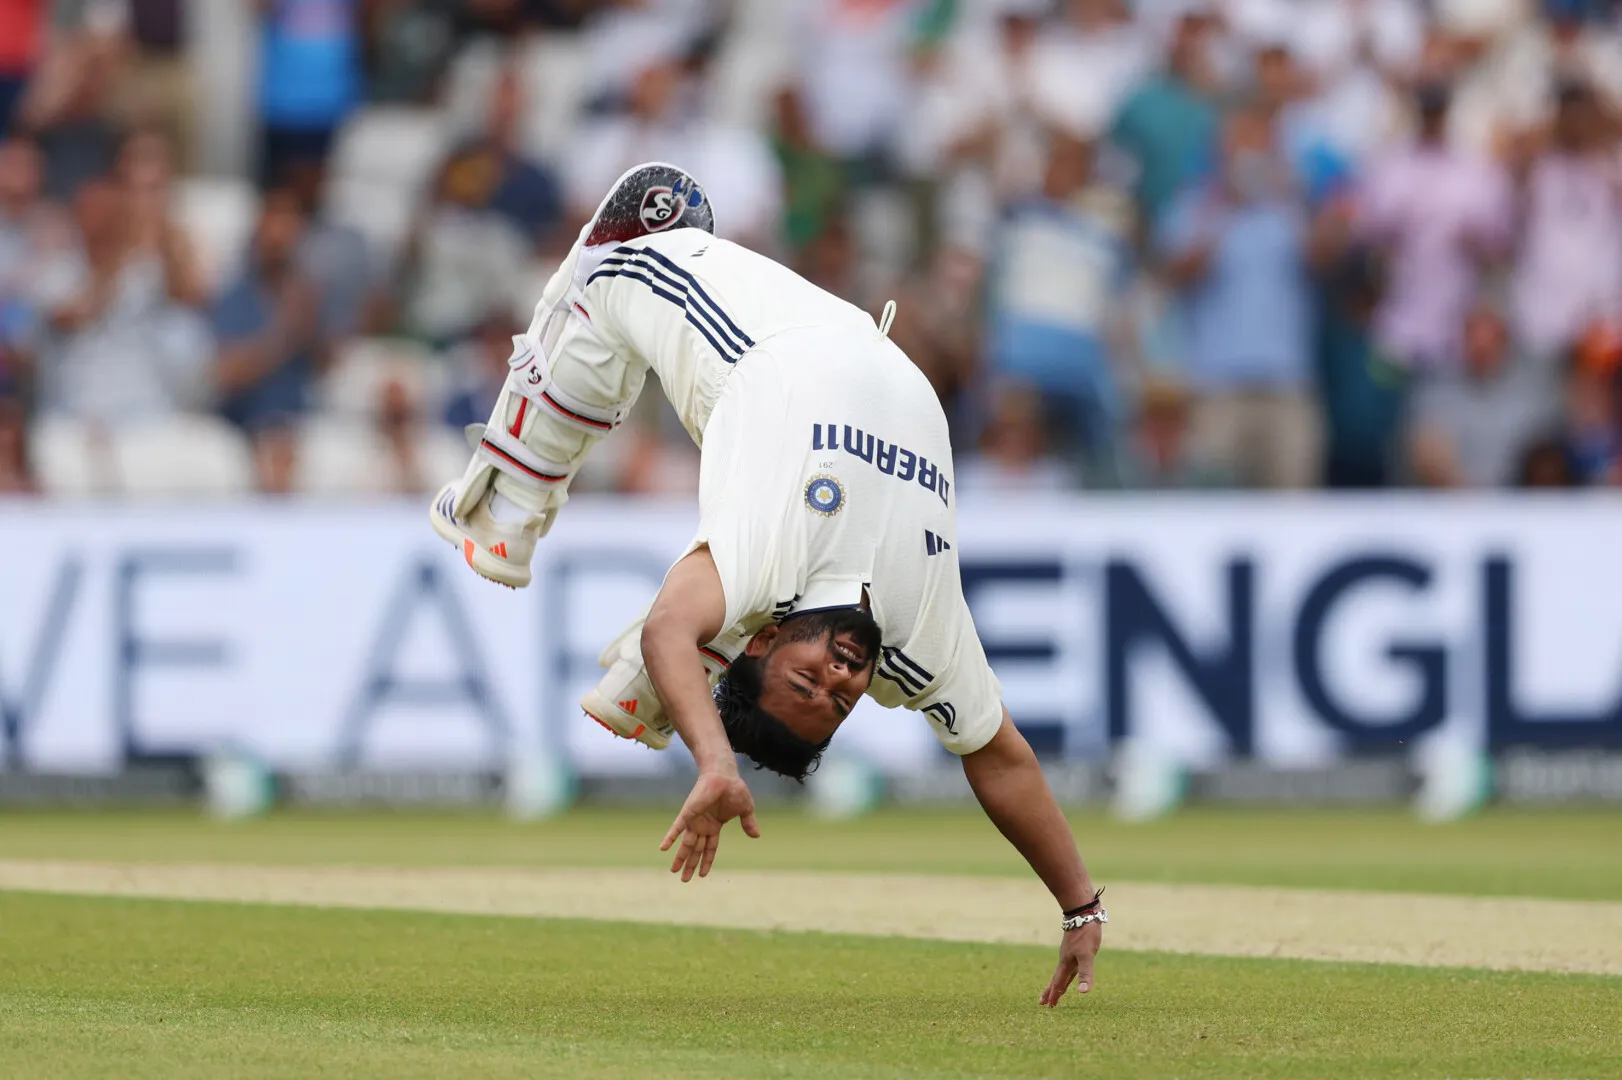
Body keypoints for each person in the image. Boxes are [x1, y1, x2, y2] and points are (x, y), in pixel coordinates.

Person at [429, 163, 1105, 1005]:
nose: (842, 677)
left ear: (768, 639)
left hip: (721, 316)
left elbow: (666, 631)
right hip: (861, 335)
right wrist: (1080, 907)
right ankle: (668, 681)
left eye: (806, 681)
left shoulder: (770, 566)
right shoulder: (920, 639)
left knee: (598, 293)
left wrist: (712, 761)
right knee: (691, 629)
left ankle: (511, 491)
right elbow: (1000, 760)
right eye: (843, 697)